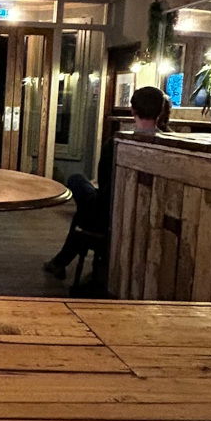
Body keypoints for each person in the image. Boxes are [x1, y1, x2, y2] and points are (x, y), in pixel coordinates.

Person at [43, 85, 168, 282]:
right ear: (160, 111)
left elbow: (104, 183)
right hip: (148, 212)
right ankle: (60, 262)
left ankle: (60, 262)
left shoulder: (117, 143)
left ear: (132, 110)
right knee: (84, 205)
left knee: (77, 184)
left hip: (109, 212)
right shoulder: (167, 145)